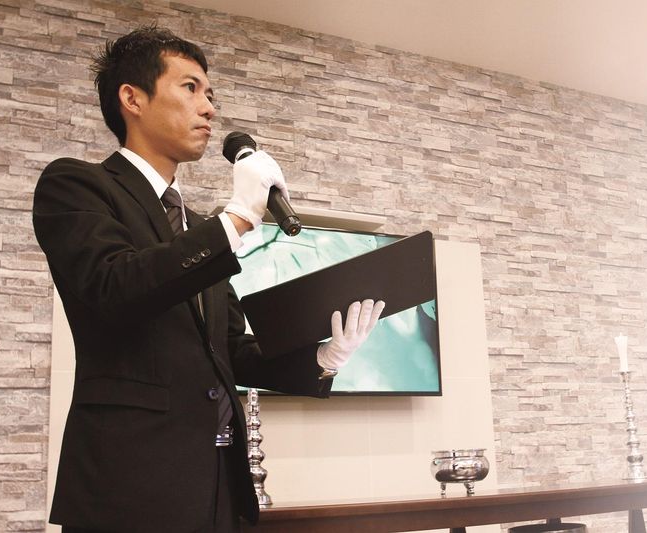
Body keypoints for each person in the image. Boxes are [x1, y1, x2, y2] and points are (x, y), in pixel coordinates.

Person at [32, 26, 384, 532]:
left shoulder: (197, 229)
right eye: (190, 88)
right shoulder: (76, 185)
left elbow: (230, 349)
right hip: (129, 491)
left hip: (219, 487)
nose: (209, 109)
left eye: (211, 94)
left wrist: (324, 359)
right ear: (132, 98)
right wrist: (237, 217)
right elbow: (114, 287)